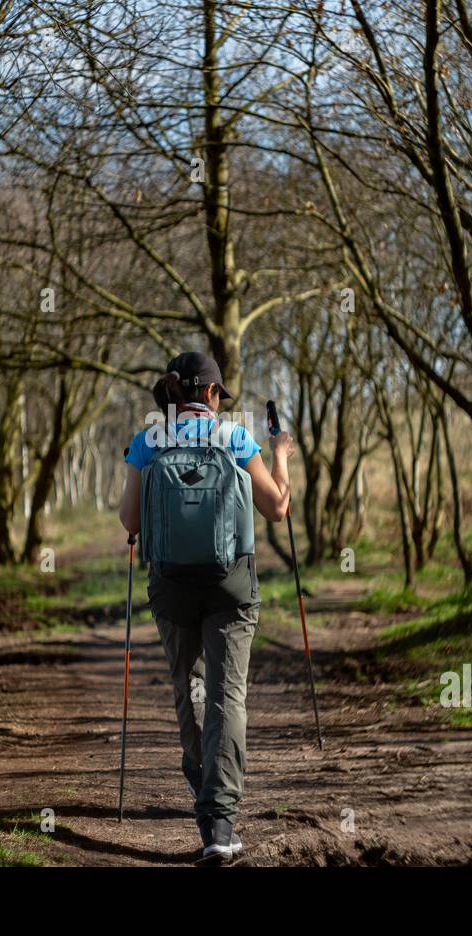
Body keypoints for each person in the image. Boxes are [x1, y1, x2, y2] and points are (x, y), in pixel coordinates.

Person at [118, 351, 294, 863]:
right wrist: (280, 452)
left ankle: (202, 781)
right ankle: (219, 821)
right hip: (230, 586)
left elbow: (130, 522)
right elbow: (278, 508)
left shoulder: (147, 441)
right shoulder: (236, 438)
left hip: (172, 588)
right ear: (213, 395)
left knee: (189, 687)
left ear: (173, 394)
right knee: (226, 694)